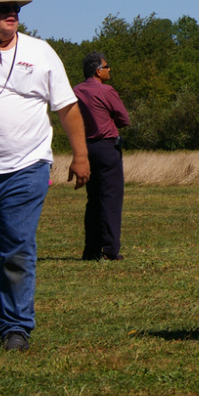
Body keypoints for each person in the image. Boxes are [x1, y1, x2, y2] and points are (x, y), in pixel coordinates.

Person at [0, 0, 90, 352]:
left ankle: (16, 327)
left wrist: (80, 155)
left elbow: (67, 106)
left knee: (16, 247)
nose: (12, 14)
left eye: (16, 10)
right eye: (2, 9)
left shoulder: (40, 53)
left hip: (27, 166)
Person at [73, 51, 130, 261]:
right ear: (98, 71)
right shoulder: (107, 91)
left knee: (93, 199)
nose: (109, 70)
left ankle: (91, 249)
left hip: (85, 149)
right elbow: (124, 118)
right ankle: (110, 250)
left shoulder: (75, 91)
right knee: (111, 200)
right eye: (107, 67)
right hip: (107, 148)